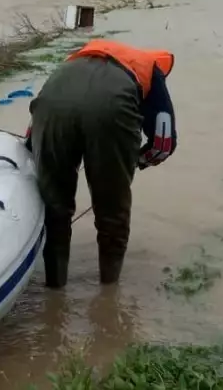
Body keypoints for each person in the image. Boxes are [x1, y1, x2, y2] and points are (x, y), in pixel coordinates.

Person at [23, 38, 178, 288]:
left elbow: (34, 131)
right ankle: (108, 294)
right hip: (110, 107)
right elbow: (163, 142)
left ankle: (54, 288)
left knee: (55, 207)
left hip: (52, 107)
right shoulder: (152, 69)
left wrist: (42, 153)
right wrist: (134, 160)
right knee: (111, 214)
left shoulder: (72, 62)